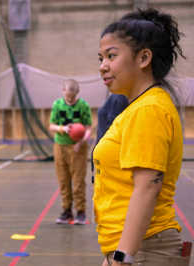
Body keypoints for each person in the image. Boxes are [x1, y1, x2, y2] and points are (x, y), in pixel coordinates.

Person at [93, 8, 190, 266]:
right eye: (101, 58)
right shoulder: (137, 108)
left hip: (145, 250)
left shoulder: (148, 109)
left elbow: (147, 187)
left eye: (111, 56)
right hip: (135, 248)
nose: (103, 66)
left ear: (143, 57)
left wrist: (123, 257)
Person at [49, 79, 92, 225]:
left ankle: (81, 212)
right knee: (63, 180)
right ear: (63, 91)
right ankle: (67, 211)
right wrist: (63, 129)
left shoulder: (83, 106)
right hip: (60, 146)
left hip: (77, 148)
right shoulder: (57, 105)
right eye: (67, 96)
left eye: (72, 97)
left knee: (78, 181)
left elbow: (88, 128)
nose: (69, 99)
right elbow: (52, 126)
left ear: (77, 93)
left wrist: (81, 142)